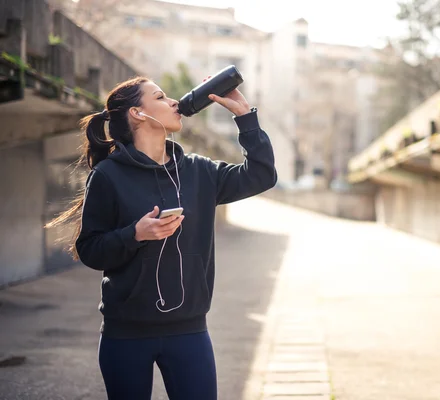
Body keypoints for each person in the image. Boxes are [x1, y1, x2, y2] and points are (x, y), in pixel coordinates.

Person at [46, 76, 277, 399]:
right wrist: (135, 234)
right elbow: (90, 249)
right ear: (138, 114)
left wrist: (245, 118)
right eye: (160, 97)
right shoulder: (108, 176)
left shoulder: (200, 171)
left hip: (189, 331)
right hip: (125, 334)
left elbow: (262, 176)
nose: (173, 102)